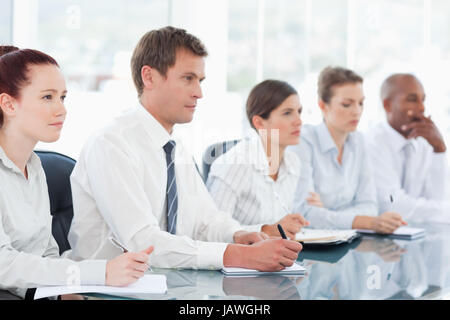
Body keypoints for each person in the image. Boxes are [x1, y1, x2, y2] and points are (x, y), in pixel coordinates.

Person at [68, 26, 302, 271]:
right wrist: (237, 256)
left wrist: (239, 236)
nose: (199, 93)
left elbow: (206, 221)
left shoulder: (175, 147)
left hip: (167, 282)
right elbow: (142, 242)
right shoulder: (112, 144)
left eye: (200, 81)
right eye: (188, 79)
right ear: (149, 77)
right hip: (106, 291)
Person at [0, 46, 153, 299]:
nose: (61, 109)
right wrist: (97, 273)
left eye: (62, 97)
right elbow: (4, 264)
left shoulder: (34, 167)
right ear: (8, 104)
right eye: (47, 97)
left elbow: (44, 254)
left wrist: (62, 292)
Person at [289, 66, 406, 233]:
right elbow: (304, 214)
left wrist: (328, 215)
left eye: (361, 103)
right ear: (323, 105)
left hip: (349, 240)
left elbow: (370, 205)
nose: (357, 111)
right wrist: (363, 221)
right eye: (346, 104)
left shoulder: (360, 142)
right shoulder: (303, 142)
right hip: (314, 249)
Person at [206, 80, 311, 240]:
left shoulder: (293, 163)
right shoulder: (236, 163)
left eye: (299, 111)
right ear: (259, 122)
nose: (299, 121)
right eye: (287, 113)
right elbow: (209, 230)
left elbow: (280, 227)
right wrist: (266, 230)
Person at [365, 73, 450, 222]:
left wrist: (439, 149)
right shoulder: (373, 143)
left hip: (420, 234)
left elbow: (438, 198)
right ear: (387, 105)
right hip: (380, 239)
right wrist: (443, 212)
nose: (422, 107)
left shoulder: (424, 141)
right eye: (412, 100)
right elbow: (393, 205)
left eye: (423, 100)